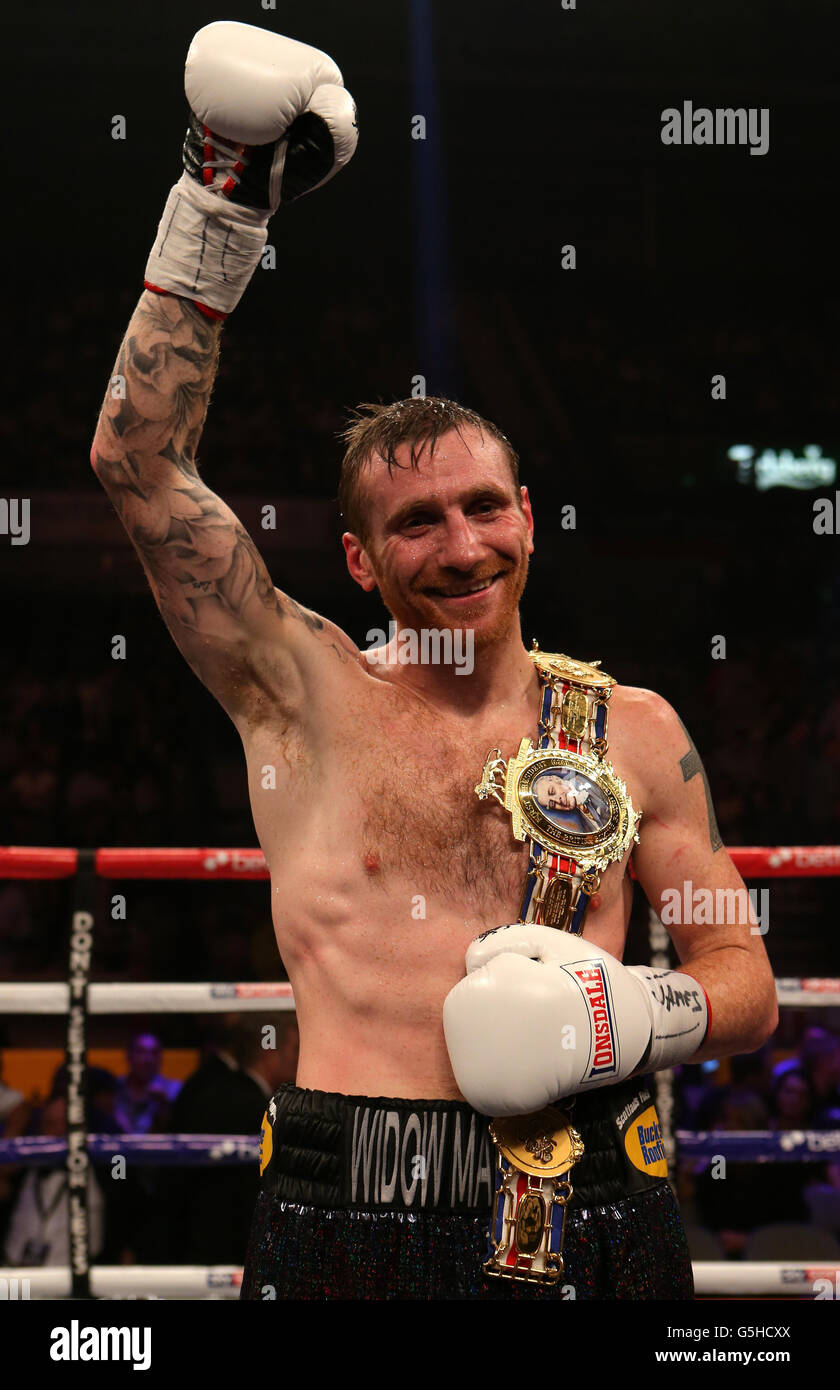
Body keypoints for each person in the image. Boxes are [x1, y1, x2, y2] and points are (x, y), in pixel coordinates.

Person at [90, 21, 778, 1299]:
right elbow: (137, 465)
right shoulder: (298, 692)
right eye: (416, 520)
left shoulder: (631, 727)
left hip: (597, 1197)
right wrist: (220, 193)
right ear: (359, 561)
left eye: (483, 507)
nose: (460, 545)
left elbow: (742, 973)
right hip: (347, 1194)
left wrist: (630, 1015)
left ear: (528, 513)